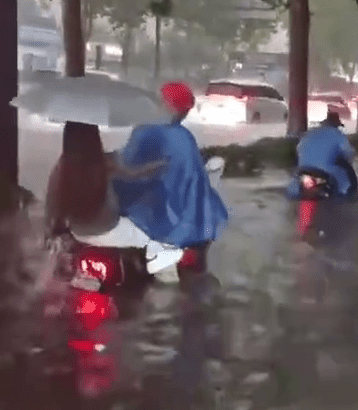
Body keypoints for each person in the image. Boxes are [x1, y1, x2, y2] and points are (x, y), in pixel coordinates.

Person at [111, 82, 229, 270]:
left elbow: (126, 175)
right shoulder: (185, 136)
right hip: (200, 226)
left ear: (166, 105)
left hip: (156, 223)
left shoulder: (146, 131)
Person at [44, 121, 166, 240]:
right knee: (118, 170)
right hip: (107, 221)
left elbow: (52, 200)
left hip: (79, 229)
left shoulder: (63, 167)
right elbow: (134, 175)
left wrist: (51, 229)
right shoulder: (103, 161)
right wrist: (160, 165)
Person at [288, 110, 358, 199]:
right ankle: (347, 196)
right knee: (345, 186)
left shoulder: (309, 133)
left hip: (303, 168)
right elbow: (348, 151)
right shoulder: (337, 133)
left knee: (294, 188)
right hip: (326, 169)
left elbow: (298, 149)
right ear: (336, 124)